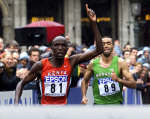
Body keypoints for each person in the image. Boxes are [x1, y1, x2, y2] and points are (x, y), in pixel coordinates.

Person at [14, 4, 103, 105]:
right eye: (56, 45)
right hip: (45, 111)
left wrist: (94, 23)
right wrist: (16, 102)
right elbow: (21, 83)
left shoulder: (71, 61)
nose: (60, 48)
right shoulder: (40, 65)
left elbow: (99, 50)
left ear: (67, 49)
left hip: (62, 110)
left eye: (63, 45)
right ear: (51, 48)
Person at [81, 36, 136, 105]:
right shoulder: (93, 63)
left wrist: (119, 80)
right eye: (103, 44)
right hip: (98, 105)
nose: (106, 46)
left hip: (116, 105)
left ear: (113, 46)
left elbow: (133, 84)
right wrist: (84, 96)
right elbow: (84, 81)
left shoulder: (121, 63)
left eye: (108, 43)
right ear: (99, 46)